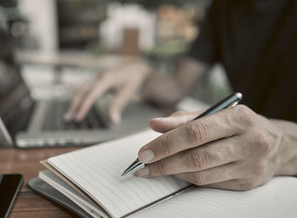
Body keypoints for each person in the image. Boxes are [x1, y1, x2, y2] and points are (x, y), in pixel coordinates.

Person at [65, 0, 297, 190]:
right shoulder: (224, 8)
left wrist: (285, 147)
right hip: (242, 170)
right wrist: (143, 76)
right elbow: (177, 85)